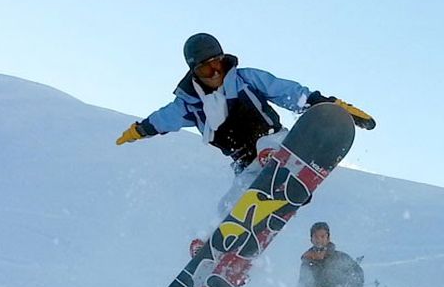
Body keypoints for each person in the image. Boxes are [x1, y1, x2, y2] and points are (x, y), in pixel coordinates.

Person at [115, 33, 375, 254]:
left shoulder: (245, 79)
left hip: (278, 141)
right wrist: (139, 130)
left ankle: (280, 166)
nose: (215, 72)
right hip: (246, 165)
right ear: (195, 72)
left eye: (217, 63)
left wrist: (327, 104)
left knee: (265, 147)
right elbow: (163, 119)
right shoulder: (189, 104)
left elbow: (288, 91)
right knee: (227, 206)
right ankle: (218, 251)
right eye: (206, 69)